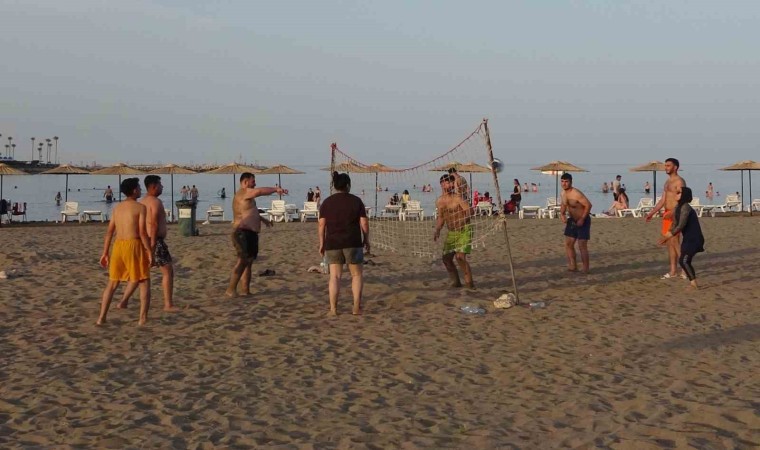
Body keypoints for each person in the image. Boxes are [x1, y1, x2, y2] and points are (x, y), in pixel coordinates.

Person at [117, 175, 178, 312]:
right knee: (167, 270)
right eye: (160, 184)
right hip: (154, 240)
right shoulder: (155, 202)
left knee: (139, 273)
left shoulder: (142, 202)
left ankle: (123, 301)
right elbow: (154, 224)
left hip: (142, 240)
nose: (162, 187)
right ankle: (168, 304)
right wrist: (153, 245)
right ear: (154, 186)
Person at [96, 178, 152, 326]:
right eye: (139, 187)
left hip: (118, 246)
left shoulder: (117, 208)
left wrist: (105, 252)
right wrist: (149, 250)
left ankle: (101, 317)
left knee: (112, 283)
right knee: (144, 280)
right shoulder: (140, 208)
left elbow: (109, 232)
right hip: (133, 244)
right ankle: (142, 318)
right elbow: (142, 232)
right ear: (134, 190)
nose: (141, 189)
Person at [226, 173, 286, 297]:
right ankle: (230, 290)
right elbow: (259, 191)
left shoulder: (249, 198)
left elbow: (250, 212)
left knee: (249, 262)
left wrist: (263, 220)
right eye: (253, 181)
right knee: (242, 261)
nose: (255, 184)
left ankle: (245, 290)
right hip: (242, 232)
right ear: (245, 182)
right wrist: (276, 189)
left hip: (251, 233)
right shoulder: (243, 192)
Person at [318, 172, 370, 316]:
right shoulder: (356, 201)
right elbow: (364, 223)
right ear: (348, 185)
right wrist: (366, 239)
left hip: (333, 242)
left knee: (334, 277)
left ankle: (333, 309)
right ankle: (356, 308)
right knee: (356, 275)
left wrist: (321, 243)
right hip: (353, 242)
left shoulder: (327, 202)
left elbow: (321, 225)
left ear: (335, 186)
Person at [646, 158, 686, 279]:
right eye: (665, 165)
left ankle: (685, 269)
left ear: (675, 167)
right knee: (669, 243)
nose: (666, 167)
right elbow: (663, 200)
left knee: (675, 241)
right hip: (667, 214)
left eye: (668, 165)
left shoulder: (679, 181)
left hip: (676, 213)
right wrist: (652, 212)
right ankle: (673, 271)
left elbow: (683, 200)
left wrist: (673, 212)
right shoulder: (667, 182)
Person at [658, 187, 704, 289]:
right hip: (687, 239)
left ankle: (693, 284)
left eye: (679, 192)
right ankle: (693, 283)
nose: (676, 193)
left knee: (684, 260)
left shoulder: (686, 208)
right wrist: (666, 236)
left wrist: (668, 236)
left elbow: (681, 225)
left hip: (694, 239)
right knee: (684, 261)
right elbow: (674, 224)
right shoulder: (678, 207)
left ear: (684, 195)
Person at [434, 173, 474, 288]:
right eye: (449, 182)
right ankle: (456, 283)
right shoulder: (439, 201)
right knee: (446, 259)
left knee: (460, 257)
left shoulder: (457, 198)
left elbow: (470, 211)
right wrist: (437, 229)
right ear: (442, 184)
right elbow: (441, 217)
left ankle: (470, 284)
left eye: (452, 182)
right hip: (452, 232)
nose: (452, 185)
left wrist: (464, 220)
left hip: (464, 229)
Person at [559, 173, 592, 273]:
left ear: (571, 182)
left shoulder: (576, 193)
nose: (564, 184)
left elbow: (588, 205)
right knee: (569, 244)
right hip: (572, 220)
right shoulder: (563, 193)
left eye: (566, 181)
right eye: (562, 181)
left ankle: (586, 268)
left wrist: (582, 218)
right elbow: (564, 204)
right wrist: (562, 214)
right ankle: (573, 266)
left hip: (583, 220)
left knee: (582, 245)